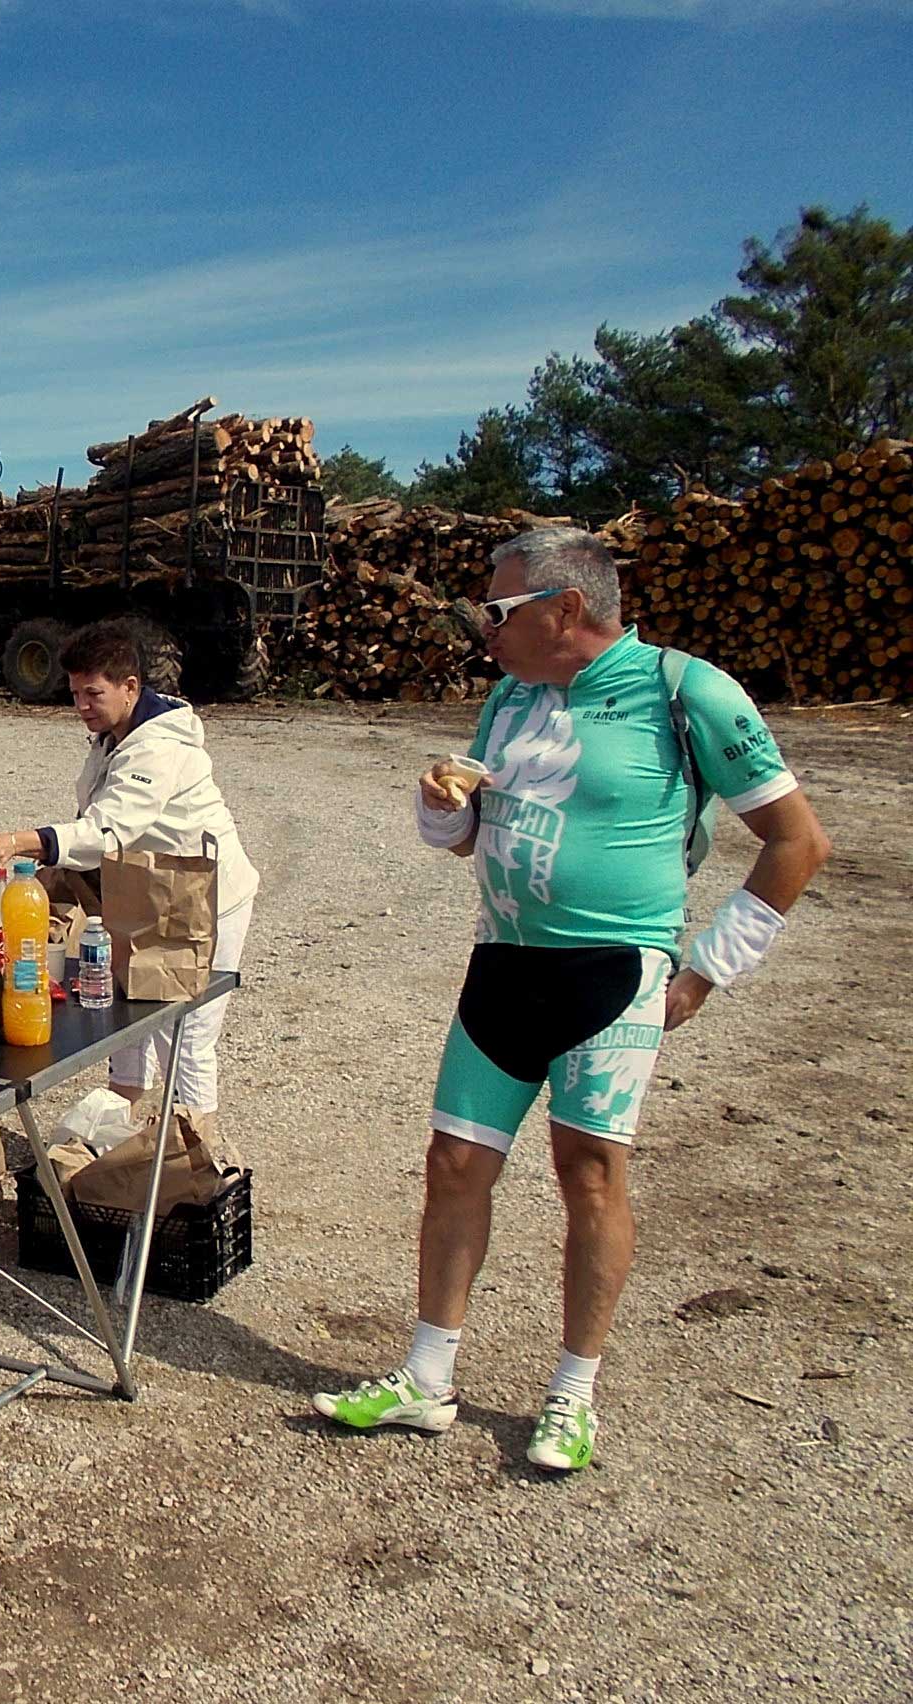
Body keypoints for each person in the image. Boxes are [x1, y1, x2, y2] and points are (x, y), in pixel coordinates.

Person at [313, 527, 830, 1472]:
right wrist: (442, 808)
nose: (485, 629)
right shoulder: (508, 698)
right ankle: (427, 1378)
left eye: (499, 610)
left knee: (588, 1173)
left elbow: (798, 841)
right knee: (454, 1164)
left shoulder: (685, 690)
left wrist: (706, 970)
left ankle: (572, 1392)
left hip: (613, 972)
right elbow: (467, 836)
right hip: (504, 963)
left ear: (566, 608)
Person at [0, 618, 259, 1131]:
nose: (81, 706)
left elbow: (108, 830)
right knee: (130, 1014)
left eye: (93, 694)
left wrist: (20, 841)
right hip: (147, 894)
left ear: (130, 687)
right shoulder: (112, 736)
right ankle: (119, 1134)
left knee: (184, 1034)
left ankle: (194, 1154)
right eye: (74, 693)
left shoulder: (158, 748)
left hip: (206, 900)